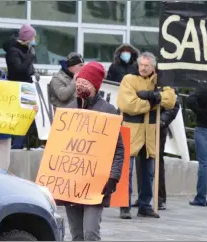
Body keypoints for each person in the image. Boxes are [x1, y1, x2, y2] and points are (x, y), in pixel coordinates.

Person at [57, 62, 124, 241]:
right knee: (77, 235)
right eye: (79, 81)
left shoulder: (108, 111)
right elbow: (59, 146)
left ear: (95, 86)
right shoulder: (69, 110)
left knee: (90, 233)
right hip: (71, 184)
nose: (80, 86)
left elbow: (118, 149)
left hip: (97, 184)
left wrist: (113, 177)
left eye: (85, 83)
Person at [117, 52, 176, 219]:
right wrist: (154, 102)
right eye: (141, 65)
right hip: (131, 129)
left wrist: (151, 95)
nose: (143, 68)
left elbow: (170, 100)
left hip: (150, 131)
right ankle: (124, 205)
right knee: (126, 170)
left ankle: (145, 205)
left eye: (146, 66)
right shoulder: (129, 79)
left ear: (153, 66)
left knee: (149, 171)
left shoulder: (160, 80)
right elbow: (128, 104)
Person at [132, 92, 180, 210]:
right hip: (141, 126)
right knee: (140, 161)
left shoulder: (165, 80)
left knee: (156, 161)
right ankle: (142, 197)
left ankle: (160, 198)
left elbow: (174, 104)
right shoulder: (138, 80)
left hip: (157, 127)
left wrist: (162, 121)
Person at [3, 24, 37, 149]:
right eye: (33, 37)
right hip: (17, 89)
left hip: (27, 89)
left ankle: (20, 143)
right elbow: (19, 69)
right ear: (28, 38)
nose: (34, 40)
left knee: (26, 117)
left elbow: (27, 69)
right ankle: (15, 144)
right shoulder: (13, 52)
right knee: (17, 117)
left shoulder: (25, 50)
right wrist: (30, 57)